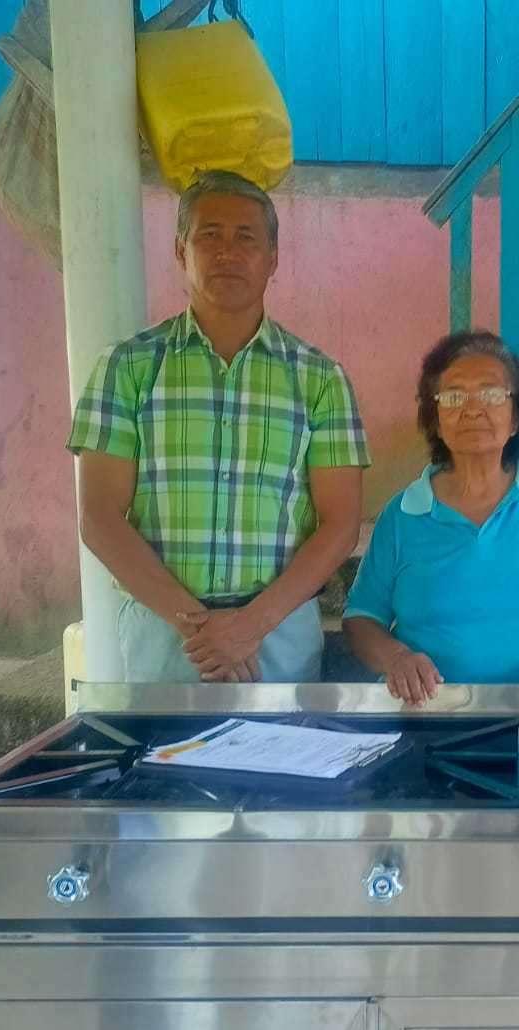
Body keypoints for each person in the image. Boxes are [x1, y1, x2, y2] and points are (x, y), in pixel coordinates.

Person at [67, 170, 369, 684]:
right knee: (165, 742)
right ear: (180, 251)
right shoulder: (127, 368)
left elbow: (341, 523)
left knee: (283, 741)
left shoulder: (320, 379)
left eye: (246, 237)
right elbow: (99, 516)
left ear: (273, 259)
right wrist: (201, 627)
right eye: (210, 235)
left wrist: (251, 625)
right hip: (166, 632)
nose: (228, 251)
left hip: (279, 631)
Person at [343, 331, 519, 704]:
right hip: (430, 718)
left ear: (515, 417)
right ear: (435, 420)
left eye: (491, 395)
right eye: (454, 397)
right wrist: (397, 658)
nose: (473, 410)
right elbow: (361, 617)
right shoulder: (403, 514)